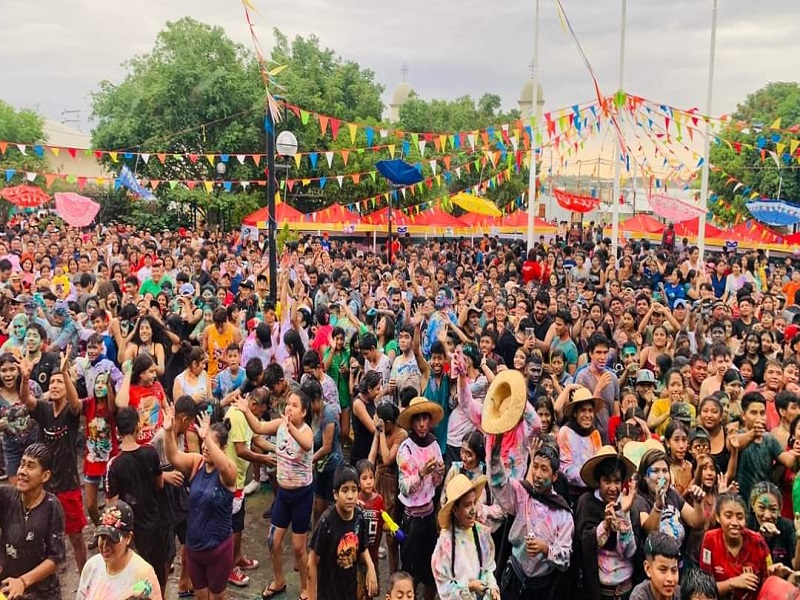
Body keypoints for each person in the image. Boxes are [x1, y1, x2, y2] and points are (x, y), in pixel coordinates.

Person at [233, 389, 314, 600]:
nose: (289, 408)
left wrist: (289, 427)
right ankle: (279, 580)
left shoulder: (305, 431)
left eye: (295, 405)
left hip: (302, 495)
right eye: (288, 404)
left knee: (298, 548)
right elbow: (258, 427)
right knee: (273, 542)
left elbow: (306, 445)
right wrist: (245, 411)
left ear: (304, 411)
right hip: (283, 495)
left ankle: (306, 587)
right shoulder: (279, 425)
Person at [20, 346, 88, 573]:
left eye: (60, 382)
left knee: (76, 536)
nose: (56, 386)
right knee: (41, 532)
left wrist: (64, 371)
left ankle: (85, 578)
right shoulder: (44, 409)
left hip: (68, 485)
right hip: (44, 484)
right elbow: (26, 400)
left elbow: (77, 404)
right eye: (53, 383)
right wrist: (25, 378)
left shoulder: (71, 412)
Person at [163, 403, 238, 600]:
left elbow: (223, 466)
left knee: (217, 597)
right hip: (194, 547)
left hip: (218, 548)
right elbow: (173, 456)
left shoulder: (228, 472)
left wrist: (206, 437)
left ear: (222, 448)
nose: (205, 447)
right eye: (204, 442)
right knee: (200, 596)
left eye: (211, 444)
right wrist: (168, 431)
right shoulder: (197, 463)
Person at [489, 437, 573, 600]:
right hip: (513, 577)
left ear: (555, 476)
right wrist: (495, 450)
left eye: (544, 469)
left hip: (540, 588)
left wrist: (545, 549)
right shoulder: (523, 493)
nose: (538, 474)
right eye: (535, 467)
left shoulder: (563, 514)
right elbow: (499, 483)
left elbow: (565, 558)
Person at [105, 406, 168, 592]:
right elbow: (160, 484)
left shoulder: (114, 465)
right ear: (137, 429)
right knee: (157, 574)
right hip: (155, 523)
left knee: (134, 581)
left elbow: (113, 505)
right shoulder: (150, 453)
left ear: (117, 432)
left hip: (131, 532)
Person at [573, 446, 639, 600]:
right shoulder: (586, 503)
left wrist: (624, 514)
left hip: (626, 589)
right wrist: (605, 526)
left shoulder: (629, 504)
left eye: (617, 481)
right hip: (599, 591)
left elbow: (630, 552)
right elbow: (583, 545)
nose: (612, 488)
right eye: (607, 481)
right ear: (598, 481)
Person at [0, 443, 65, 600]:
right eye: (22, 464)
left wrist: (23, 581)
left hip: (42, 593)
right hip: (9, 589)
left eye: (31, 466)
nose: (22, 471)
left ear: (45, 476)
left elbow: (56, 558)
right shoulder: (5, 496)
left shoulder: (51, 505)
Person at [396, 396, 445, 600]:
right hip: (412, 520)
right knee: (410, 573)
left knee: (431, 572)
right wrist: (422, 473)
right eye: (418, 420)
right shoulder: (405, 449)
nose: (423, 424)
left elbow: (435, 483)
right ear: (413, 422)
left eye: (426, 419)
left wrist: (438, 473)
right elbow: (405, 487)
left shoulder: (434, 445)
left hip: (429, 515)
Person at [307, 464, 378, 600]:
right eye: (345, 490)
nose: (350, 496)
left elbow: (363, 547)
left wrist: (371, 567)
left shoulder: (359, 516)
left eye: (354, 490)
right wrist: (311, 596)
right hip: (329, 592)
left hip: (350, 589)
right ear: (335, 494)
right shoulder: (326, 522)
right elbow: (312, 561)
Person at [431, 473, 499, 600]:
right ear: (455, 510)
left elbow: (488, 568)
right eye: (467, 505)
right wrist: (469, 587)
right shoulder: (445, 544)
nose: (473, 510)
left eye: (474, 503)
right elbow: (444, 587)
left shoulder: (481, 533)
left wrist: (492, 587)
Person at [76, 501, 163, 600]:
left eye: (112, 539)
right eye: (102, 537)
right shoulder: (92, 566)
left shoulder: (143, 574)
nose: (105, 545)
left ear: (128, 537)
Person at [700, 492, 773, 599]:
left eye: (740, 517)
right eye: (728, 516)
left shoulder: (758, 541)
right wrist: (732, 583)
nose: (734, 522)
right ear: (718, 517)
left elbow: (769, 585)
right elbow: (704, 589)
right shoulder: (710, 539)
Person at [116, 353, 166, 445]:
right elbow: (121, 404)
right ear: (141, 373)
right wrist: (128, 373)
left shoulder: (157, 386)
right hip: (138, 444)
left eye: (155, 371)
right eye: (151, 372)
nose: (155, 375)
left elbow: (165, 408)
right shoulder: (129, 389)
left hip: (158, 443)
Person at [629, 532, 680, 600]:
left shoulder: (681, 594)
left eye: (674, 570)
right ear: (648, 568)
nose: (670, 579)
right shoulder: (639, 597)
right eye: (663, 570)